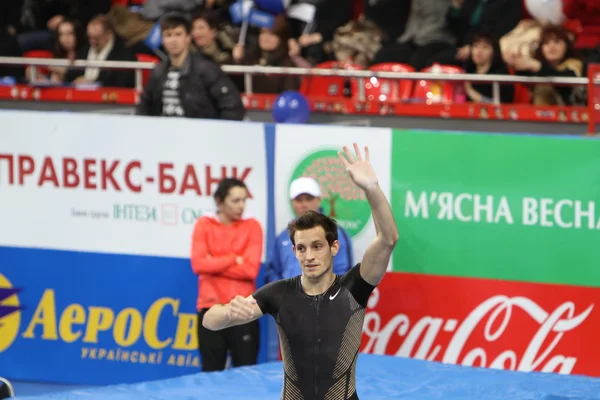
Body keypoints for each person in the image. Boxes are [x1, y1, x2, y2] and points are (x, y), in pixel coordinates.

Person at [203, 143, 399, 399]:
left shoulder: (354, 288)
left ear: (334, 247)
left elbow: (388, 239)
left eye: (317, 246)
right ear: (294, 250)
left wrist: (371, 188)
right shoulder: (279, 293)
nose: (309, 256)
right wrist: (229, 314)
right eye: (301, 248)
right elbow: (209, 320)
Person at [191, 178, 263, 372]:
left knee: (247, 374)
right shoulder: (204, 224)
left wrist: (214, 261)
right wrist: (234, 258)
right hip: (211, 309)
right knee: (211, 373)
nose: (241, 206)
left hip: (244, 311)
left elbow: (250, 270)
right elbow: (198, 264)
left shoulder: (253, 226)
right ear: (219, 201)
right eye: (235, 201)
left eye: (244, 200)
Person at [135, 13, 245, 120]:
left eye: (178, 34)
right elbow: (143, 107)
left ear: (188, 37)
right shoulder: (158, 71)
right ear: (162, 40)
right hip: (165, 133)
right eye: (168, 35)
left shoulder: (206, 69)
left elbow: (232, 106)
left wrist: (217, 133)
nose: (173, 40)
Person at [267, 176, 353, 283]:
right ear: (292, 202)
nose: (304, 204)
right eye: (299, 200)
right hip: (288, 298)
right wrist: (283, 294)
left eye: (309, 199)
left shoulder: (337, 233)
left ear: (319, 199)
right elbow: (273, 272)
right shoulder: (283, 237)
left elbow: (343, 272)